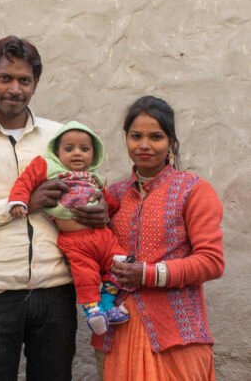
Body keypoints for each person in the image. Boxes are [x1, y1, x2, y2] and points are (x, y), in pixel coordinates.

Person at [0, 35, 107, 381]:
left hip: (56, 291)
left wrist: (98, 212)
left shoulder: (59, 137)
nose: (14, 89)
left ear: (35, 84)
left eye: (24, 80)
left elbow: (89, 191)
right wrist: (21, 204)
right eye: (5, 78)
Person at [92, 96, 225, 381]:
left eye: (156, 136)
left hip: (176, 336)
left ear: (170, 142)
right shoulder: (113, 195)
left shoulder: (193, 190)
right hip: (118, 331)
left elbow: (212, 262)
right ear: (126, 139)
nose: (144, 145)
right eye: (136, 136)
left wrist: (148, 274)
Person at [8, 120, 131, 336]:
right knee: (86, 274)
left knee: (121, 265)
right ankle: (92, 310)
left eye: (84, 149)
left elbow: (110, 204)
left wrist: (106, 205)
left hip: (103, 236)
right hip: (75, 241)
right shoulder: (47, 167)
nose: (77, 154)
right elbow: (25, 182)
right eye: (69, 148)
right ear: (57, 151)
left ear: (94, 154)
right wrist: (19, 201)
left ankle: (108, 303)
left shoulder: (95, 177)